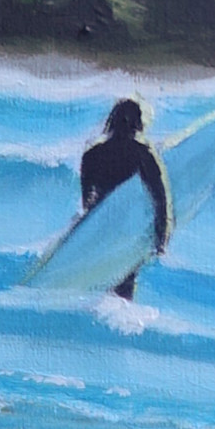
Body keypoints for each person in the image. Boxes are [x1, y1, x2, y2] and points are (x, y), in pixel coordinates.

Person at [79, 97, 170, 301]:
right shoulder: (142, 154)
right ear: (137, 124)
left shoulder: (92, 155)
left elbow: (86, 202)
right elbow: (160, 199)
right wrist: (160, 236)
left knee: (100, 281)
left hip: (101, 228)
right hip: (128, 228)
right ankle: (119, 311)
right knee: (124, 284)